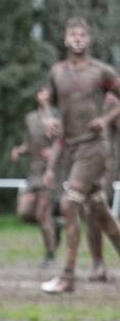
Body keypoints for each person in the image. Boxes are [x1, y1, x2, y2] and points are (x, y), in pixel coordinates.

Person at [40, 17, 120, 293]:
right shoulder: (57, 71)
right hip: (71, 148)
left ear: (89, 40)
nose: (77, 38)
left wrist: (107, 119)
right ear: (65, 39)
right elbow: (45, 102)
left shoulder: (102, 72)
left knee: (69, 203)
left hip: (94, 147)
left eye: (82, 35)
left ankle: (68, 277)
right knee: (101, 213)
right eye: (72, 34)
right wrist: (48, 119)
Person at [11, 87, 61, 268]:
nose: (45, 95)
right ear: (37, 96)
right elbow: (28, 142)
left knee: (42, 214)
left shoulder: (59, 116)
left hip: (52, 172)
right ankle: (54, 227)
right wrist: (19, 150)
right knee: (24, 212)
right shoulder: (30, 118)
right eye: (42, 92)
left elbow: (66, 142)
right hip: (34, 173)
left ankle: (50, 255)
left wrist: (55, 151)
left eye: (48, 92)